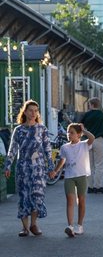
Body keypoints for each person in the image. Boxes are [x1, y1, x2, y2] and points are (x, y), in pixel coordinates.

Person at [5, 99, 55, 236]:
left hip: (38, 168)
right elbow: (12, 149)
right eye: (30, 111)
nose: (33, 113)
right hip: (23, 168)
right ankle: (25, 228)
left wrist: (51, 167)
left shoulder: (42, 129)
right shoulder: (19, 130)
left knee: (37, 196)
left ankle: (34, 224)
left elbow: (47, 150)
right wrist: (8, 165)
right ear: (25, 112)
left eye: (35, 111)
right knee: (23, 196)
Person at [52, 123, 95, 237]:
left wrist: (84, 130)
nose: (69, 135)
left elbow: (92, 138)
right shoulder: (64, 147)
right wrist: (55, 171)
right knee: (70, 200)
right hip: (69, 177)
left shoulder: (84, 145)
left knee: (81, 200)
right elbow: (62, 161)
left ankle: (79, 226)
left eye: (72, 132)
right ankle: (70, 226)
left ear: (79, 135)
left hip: (81, 176)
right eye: (68, 132)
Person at [81, 97, 103, 194]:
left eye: (89, 104)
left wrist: (85, 134)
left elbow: (80, 127)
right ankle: (98, 186)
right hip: (99, 140)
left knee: (89, 165)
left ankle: (89, 186)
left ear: (92, 104)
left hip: (88, 140)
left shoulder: (86, 115)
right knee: (99, 164)